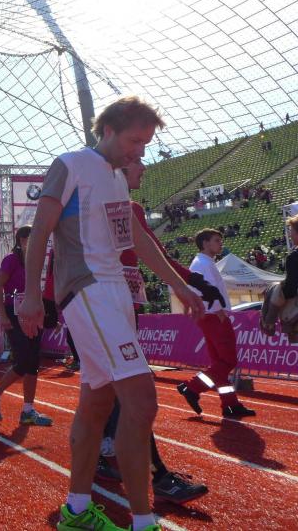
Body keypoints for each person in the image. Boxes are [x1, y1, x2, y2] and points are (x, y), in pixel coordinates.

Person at [17, 96, 205, 531]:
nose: (140, 151)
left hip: (113, 290)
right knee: (140, 401)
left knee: (97, 402)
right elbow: (40, 232)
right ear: (108, 130)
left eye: (145, 143)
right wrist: (31, 295)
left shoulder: (118, 178)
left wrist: (177, 284)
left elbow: (136, 237)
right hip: (86, 288)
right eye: (134, 141)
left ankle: (76, 511)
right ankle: (143, 521)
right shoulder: (70, 164)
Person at [93, 159, 212, 504]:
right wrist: (189, 281)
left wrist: (188, 281)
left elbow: (149, 251)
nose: (144, 169)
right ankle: (156, 476)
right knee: (131, 393)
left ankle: (99, 462)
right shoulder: (115, 205)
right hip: (106, 309)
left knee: (108, 392)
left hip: (112, 308)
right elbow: (152, 251)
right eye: (137, 161)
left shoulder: (118, 206)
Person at [178, 229, 256, 418]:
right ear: (205, 243)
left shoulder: (203, 262)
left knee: (219, 364)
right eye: (216, 240)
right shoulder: (203, 263)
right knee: (228, 361)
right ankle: (192, 387)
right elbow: (207, 291)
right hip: (214, 316)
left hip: (209, 316)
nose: (221, 243)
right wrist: (219, 311)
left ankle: (230, 404)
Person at [0, 226, 53, 426]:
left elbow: (37, 288)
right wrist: (3, 315)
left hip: (32, 313)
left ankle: (28, 410)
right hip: (14, 314)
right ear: (22, 239)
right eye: (33, 238)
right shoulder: (11, 259)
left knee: (33, 363)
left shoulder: (36, 260)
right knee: (23, 361)